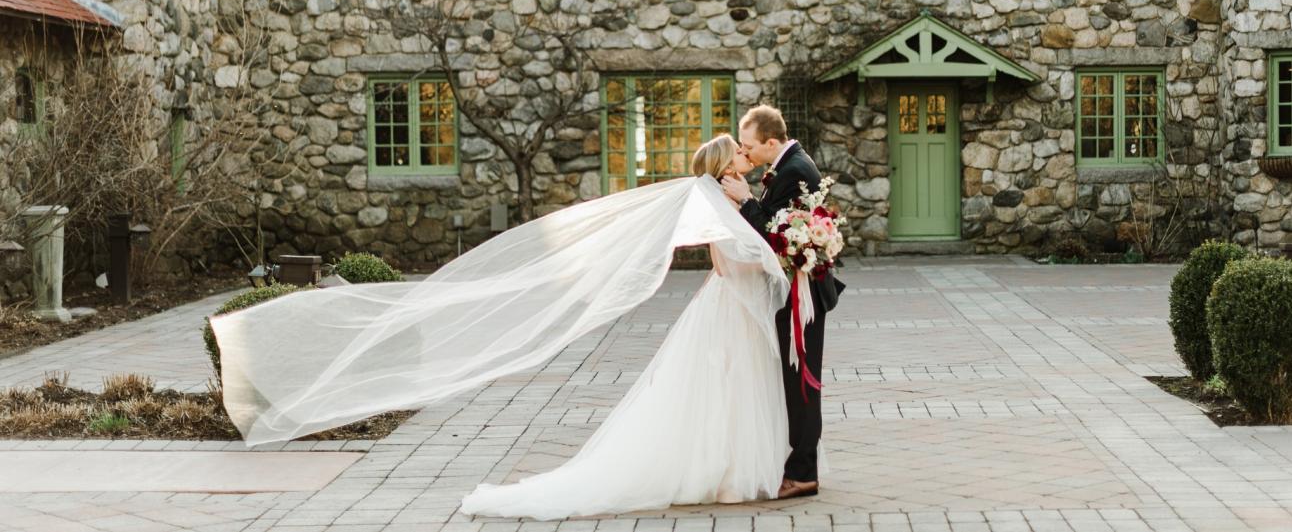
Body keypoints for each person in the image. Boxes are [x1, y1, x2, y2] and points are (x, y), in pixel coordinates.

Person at [212, 134, 793, 520]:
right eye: (740, 157)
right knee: (723, 390)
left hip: (730, 309)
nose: (748, 161)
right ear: (725, 167)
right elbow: (725, 263)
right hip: (726, 306)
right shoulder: (723, 203)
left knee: (727, 392)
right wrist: (773, 256)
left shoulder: (732, 202)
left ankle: (730, 477)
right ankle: (726, 480)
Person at [722, 105, 843, 500]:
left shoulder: (794, 171)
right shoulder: (789, 164)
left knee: (802, 383)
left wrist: (745, 200)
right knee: (796, 380)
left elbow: (774, 237)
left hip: (802, 295)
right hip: (796, 290)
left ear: (771, 143)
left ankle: (803, 472)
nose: (746, 152)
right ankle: (799, 464)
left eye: (749, 145)